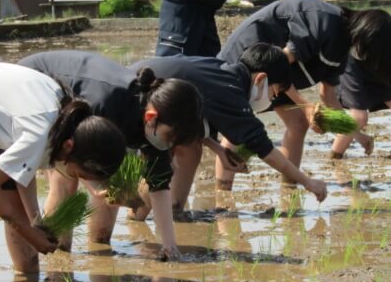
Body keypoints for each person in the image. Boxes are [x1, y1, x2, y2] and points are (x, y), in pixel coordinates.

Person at [0, 63, 126, 282]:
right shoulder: (43, 130)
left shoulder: (63, 123)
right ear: (69, 147)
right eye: (79, 173)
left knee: (16, 207)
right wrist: (30, 233)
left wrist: (35, 221)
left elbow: (23, 171)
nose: (77, 179)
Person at [19, 50, 206, 261]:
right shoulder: (108, 104)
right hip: (37, 83)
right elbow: (71, 156)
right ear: (151, 117)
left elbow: (160, 186)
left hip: (78, 105)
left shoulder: (156, 131)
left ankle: (99, 248)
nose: (170, 146)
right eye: (170, 137)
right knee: (65, 179)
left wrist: (170, 246)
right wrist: (97, 187)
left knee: (111, 180)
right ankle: (58, 259)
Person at [131, 43, 329, 208]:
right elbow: (266, 150)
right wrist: (308, 182)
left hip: (143, 92)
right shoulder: (230, 92)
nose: (273, 98)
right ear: (261, 79)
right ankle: (165, 211)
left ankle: (166, 212)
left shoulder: (224, 73)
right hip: (132, 100)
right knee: (182, 152)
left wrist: (219, 150)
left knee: (189, 147)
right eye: (274, 91)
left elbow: (193, 126)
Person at [218, 0, 391, 174]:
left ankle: (290, 188)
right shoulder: (323, 22)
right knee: (239, 124)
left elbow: (328, 96)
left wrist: (356, 134)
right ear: (367, 36)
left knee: (298, 123)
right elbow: (277, 63)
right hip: (252, 58)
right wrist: (306, 106)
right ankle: (222, 191)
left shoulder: (342, 45)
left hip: (279, 77)